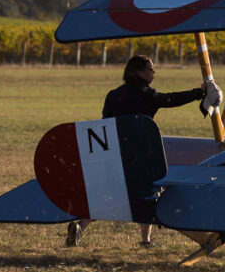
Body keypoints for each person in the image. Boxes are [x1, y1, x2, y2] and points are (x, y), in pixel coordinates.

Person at [65, 55, 206, 248]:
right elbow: (171, 99)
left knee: (109, 195)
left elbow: (105, 123)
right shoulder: (147, 95)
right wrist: (199, 92)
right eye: (149, 68)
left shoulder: (113, 95)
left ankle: (81, 226)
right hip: (142, 158)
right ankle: (145, 240)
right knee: (148, 196)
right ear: (138, 72)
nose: (153, 72)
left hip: (116, 157)